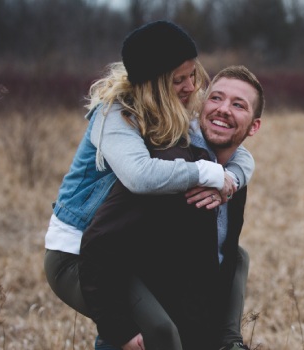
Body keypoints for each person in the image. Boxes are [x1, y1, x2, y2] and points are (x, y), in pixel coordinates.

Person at [43, 21, 254, 349]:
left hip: (122, 248)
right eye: (177, 79)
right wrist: (205, 173)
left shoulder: (173, 108)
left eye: (192, 75)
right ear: (155, 84)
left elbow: (235, 152)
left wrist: (230, 181)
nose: (189, 87)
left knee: (235, 258)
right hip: (79, 251)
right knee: (156, 333)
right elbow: (139, 176)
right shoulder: (115, 115)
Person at [80, 65, 264, 350]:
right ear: (201, 105)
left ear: (254, 126)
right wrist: (119, 330)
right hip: (143, 338)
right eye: (215, 98)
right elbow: (99, 245)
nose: (223, 109)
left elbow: (218, 260)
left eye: (238, 105)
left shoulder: (232, 177)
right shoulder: (169, 165)